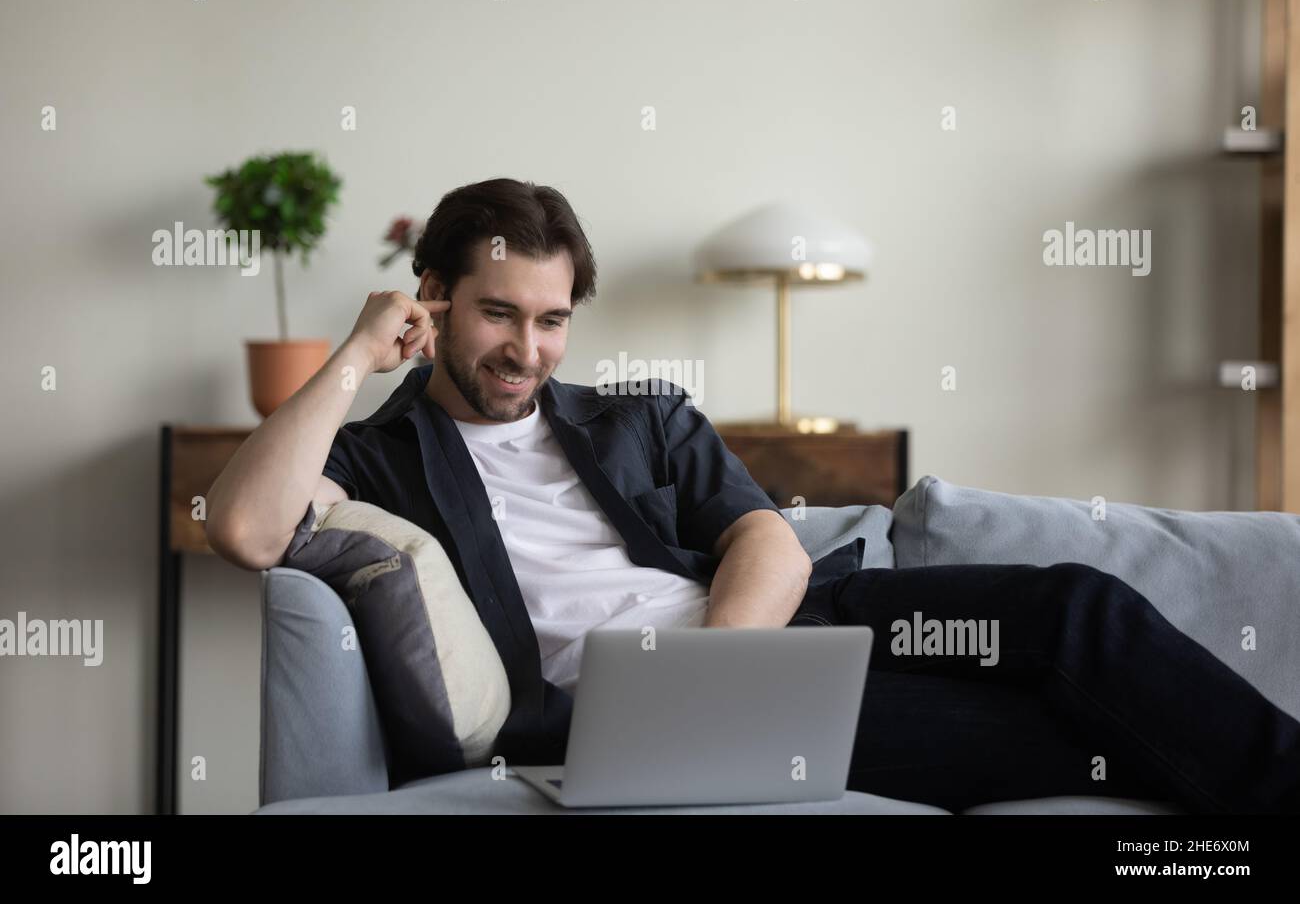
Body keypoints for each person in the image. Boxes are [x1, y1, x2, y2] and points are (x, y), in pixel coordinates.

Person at [207, 178, 1300, 813]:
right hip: (632, 725)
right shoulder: (384, 453)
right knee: (1046, 737)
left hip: (786, 640)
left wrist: (719, 664)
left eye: (551, 319)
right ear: (433, 298)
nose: (525, 349)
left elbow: (764, 541)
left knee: (1074, 604)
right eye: (498, 314)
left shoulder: (635, 416)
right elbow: (244, 526)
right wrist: (357, 351)